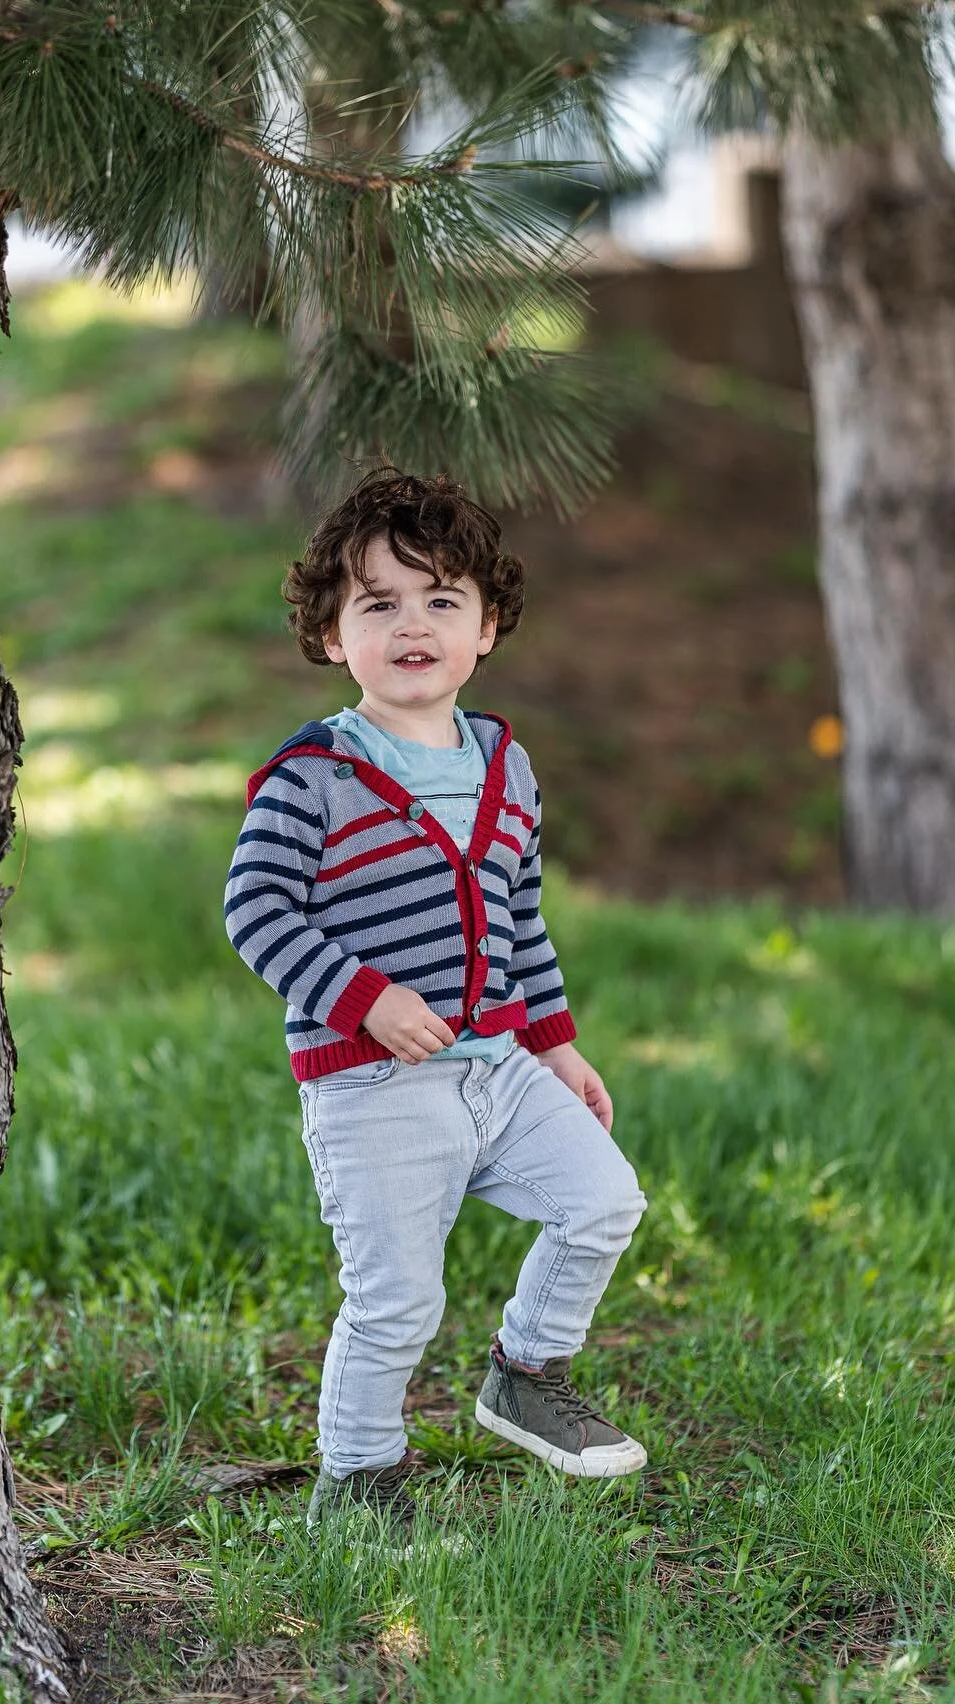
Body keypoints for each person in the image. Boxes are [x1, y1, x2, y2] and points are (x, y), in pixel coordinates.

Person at [223, 466, 648, 1538]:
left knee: (604, 1200)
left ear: (488, 627)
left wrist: (553, 1045)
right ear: (331, 636)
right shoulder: (313, 775)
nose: (414, 625)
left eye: (442, 599)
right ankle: (357, 1482)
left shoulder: (507, 764)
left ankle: (524, 1372)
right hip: (376, 1087)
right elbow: (255, 912)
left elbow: (521, 918)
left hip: (500, 1068)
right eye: (379, 603)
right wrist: (363, 1000)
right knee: (398, 1301)